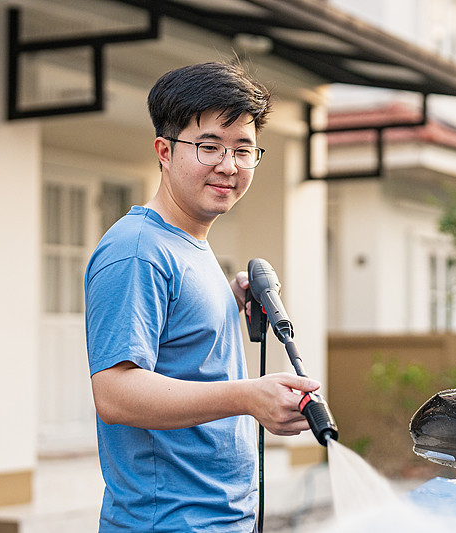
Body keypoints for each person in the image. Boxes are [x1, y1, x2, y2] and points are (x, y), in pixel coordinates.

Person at [84, 61, 320, 532]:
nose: (228, 166)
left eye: (243, 150)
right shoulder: (137, 250)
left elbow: (176, 344)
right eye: (209, 146)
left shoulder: (189, 243)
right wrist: (249, 396)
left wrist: (227, 298)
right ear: (164, 151)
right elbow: (115, 392)